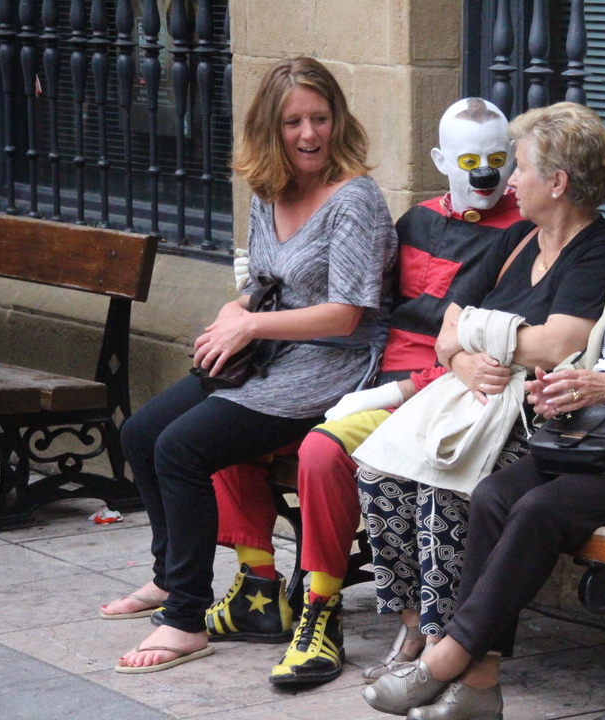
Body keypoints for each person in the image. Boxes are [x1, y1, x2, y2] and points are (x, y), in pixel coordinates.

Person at [362, 134, 605, 720]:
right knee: (494, 494)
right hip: (599, 446)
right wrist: (558, 383)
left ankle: (449, 659)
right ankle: (480, 684)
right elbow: (594, 360)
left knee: (539, 510)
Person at [204, 98, 524, 686]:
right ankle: (258, 587)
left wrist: (386, 394)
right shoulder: (416, 221)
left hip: (439, 395)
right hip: (364, 375)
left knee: (322, 452)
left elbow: (489, 354)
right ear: (440, 161)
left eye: (498, 160)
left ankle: (321, 610)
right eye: (469, 160)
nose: (485, 174)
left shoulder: (522, 235)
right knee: (227, 428)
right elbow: (363, 309)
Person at [104, 57, 399, 673]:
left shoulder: (355, 200)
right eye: (293, 122)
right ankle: (169, 575)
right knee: (141, 433)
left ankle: (186, 617)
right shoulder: (269, 191)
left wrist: (251, 326)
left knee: (182, 449)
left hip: (331, 368)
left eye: (320, 118)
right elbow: (264, 286)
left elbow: (346, 314)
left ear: (338, 120)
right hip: (268, 358)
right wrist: (232, 311)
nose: (309, 134)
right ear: (271, 129)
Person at [355, 102, 605, 689]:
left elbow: (559, 343)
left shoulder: (599, 253)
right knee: (380, 471)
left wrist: (477, 338)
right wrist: (463, 358)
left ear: (557, 183)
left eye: (520, 166)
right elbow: (448, 325)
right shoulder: (519, 239)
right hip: (472, 404)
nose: (509, 180)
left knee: (443, 485)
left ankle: (445, 641)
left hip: (536, 424)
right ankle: (414, 625)